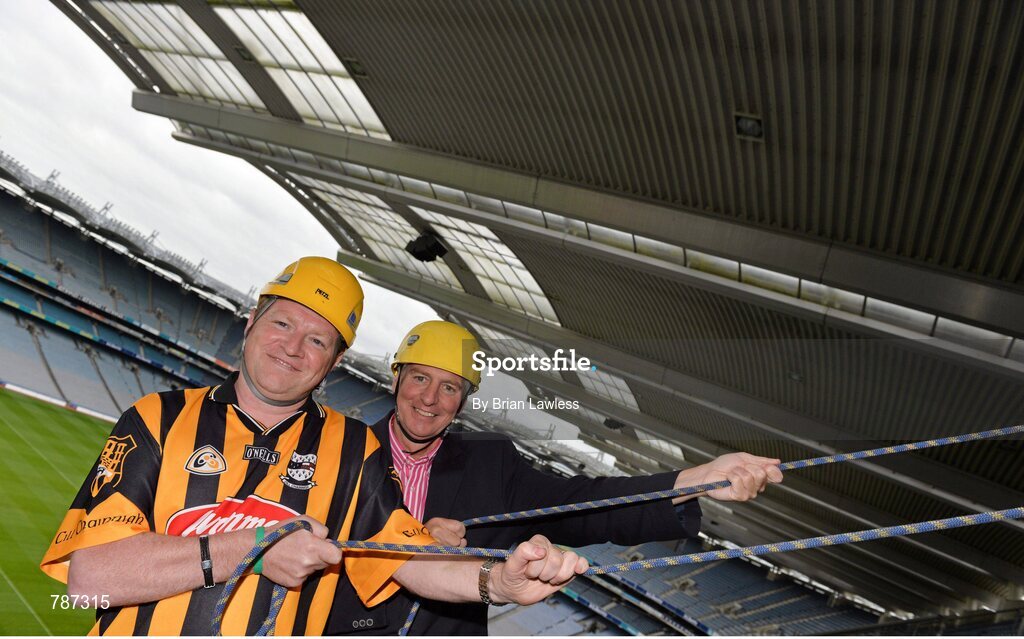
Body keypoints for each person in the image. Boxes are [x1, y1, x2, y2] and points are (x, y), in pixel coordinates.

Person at [40, 257, 587, 636]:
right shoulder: (155, 417)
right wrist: (250, 551)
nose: (294, 348)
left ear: (334, 363)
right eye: (282, 323)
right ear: (251, 323)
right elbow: (90, 580)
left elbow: (408, 561)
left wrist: (497, 582)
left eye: (319, 339)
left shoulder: (353, 448)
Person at [328, 320, 784, 635]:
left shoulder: (493, 464)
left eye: (449, 387)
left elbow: (586, 504)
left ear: (463, 401)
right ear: (395, 380)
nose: (430, 399)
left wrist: (694, 479)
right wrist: (415, 545)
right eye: (420, 379)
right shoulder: (340, 449)